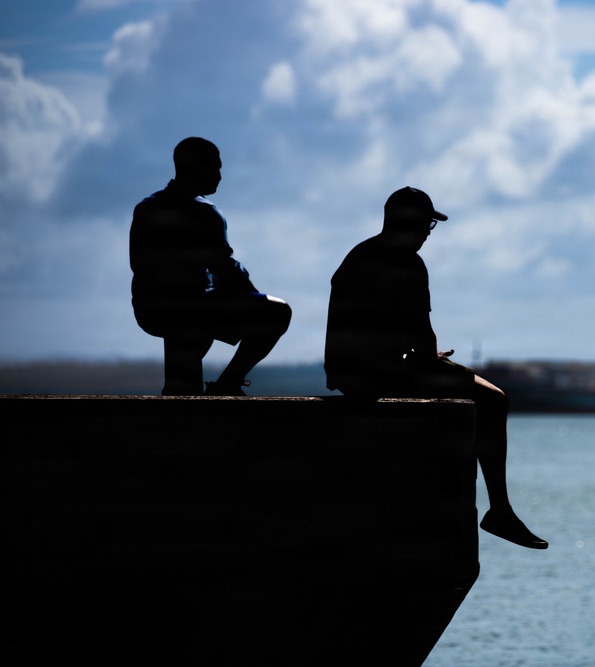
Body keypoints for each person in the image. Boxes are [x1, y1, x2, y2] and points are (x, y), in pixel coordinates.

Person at [325, 186, 548, 549]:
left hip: (351, 375)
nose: (429, 232)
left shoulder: (358, 256)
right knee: (493, 400)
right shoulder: (407, 263)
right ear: (413, 224)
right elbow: (421, 338)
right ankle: (500, 510)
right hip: (383, 375)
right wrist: (434, 361)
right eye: (428, 224)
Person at [130, 137, 292, 396]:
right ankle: (227, 383)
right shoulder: (205, 211)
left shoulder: (146, 207)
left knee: (185, 372)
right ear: (196, 168)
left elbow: (138, 265)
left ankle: (180, 393)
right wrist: (252, 298)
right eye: (215, 168)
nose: (219, 176)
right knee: (277, 312)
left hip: (150, 310)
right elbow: (226, 269)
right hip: (192, 307)